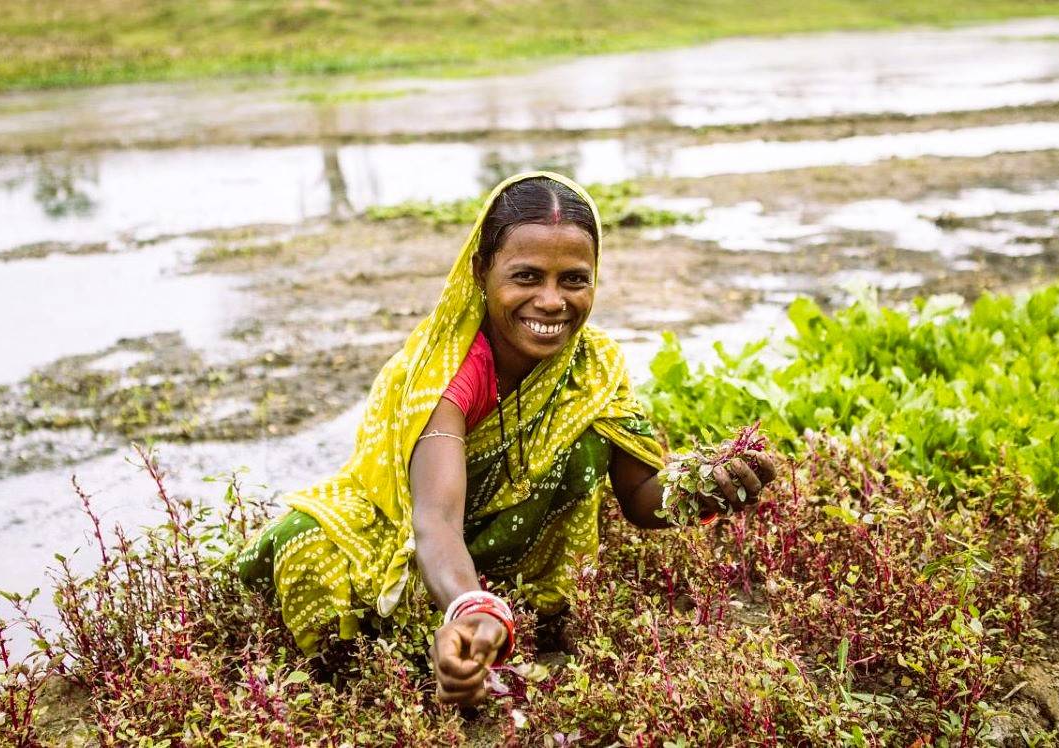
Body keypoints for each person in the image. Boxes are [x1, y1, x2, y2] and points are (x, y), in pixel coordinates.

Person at [238, 171, 775, 706]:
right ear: (481, 272)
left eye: (574, 280)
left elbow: (640, 497)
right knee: (307, 544)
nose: (550, 301)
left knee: (586, 439)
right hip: (414, 547)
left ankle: (510, 615)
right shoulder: (448, 374)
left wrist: (705, 487)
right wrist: (473, 609)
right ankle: (421, 645)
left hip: (503, 575)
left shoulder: (595, 366)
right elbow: (435, 520)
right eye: (525, 277)